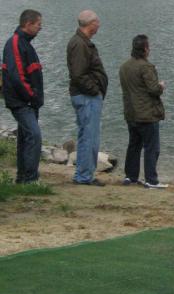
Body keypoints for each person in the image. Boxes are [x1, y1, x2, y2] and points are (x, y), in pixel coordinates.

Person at [119, 34, 168, 189]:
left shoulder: (124, 67)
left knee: (134, 145)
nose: (149, 49)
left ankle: (130, 177)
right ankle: (151, 180)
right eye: (148, 46)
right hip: (147, 115)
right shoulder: (146, 67)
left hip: (131, 113)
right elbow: (154, 90)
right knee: (152, 147)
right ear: (145, 49)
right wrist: (161, 86)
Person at [66, 10, 108, 186]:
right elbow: (78, 74)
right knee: (89, 136)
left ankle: (85, 174)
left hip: (87, 96)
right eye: (97, 22)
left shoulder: (82, 42)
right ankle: (83, 176)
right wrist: (94, 90)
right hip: (86, 97)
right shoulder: (79, 44)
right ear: (91, 24)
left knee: (88, 135)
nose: (99, 25)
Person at [1, 10, 44, 183]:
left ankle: (22, 177)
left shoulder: (25, 43)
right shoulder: (15, 43)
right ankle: (30, 178)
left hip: (28, 101)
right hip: (21, 101)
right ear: (28, 24)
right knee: (34, 135)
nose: (40, 28)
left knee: (25, 138)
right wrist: (32, 96)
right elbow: (17, 75)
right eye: (38, 24)